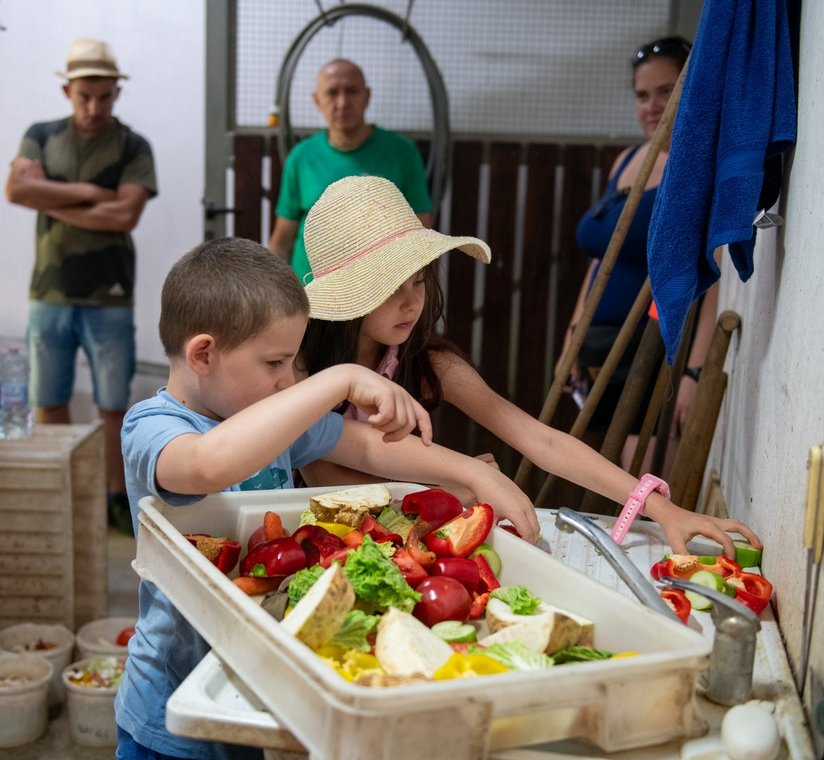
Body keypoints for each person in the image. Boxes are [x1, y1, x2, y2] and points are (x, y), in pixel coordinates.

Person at [115, 237, 538, 759]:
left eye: (294, 364)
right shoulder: (151, 427)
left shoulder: (275, 423)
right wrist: (341, 378)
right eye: (275, 363)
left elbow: (370, 448)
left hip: (260, 694)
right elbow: (209, 464)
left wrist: (477, 476)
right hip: (173, 711)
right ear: (203, 353)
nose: (288, 381)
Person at [297, 175, 761, 557]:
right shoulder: (300, 367)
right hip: (322, 542)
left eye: (419, 281)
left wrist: (660, 509)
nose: (411, 303)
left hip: (407, 544)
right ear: (348, 293)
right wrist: (455, 483)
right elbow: (325, 476)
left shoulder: (428, 363)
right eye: (389, 285)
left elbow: (540, 439)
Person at [4, 38, 157, 532]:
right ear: (68, 90)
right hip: (49, 292)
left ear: (116, 92)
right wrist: (90, 193)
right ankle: (60, 490)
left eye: (104, 96)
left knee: (114, 405)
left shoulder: (133, 145)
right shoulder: (40, 135)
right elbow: (16, 189)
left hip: (110, 294)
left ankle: (115, 496)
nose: (94, 107)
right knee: (48, 397)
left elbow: (124, 214)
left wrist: (47, 198)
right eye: (84, 96)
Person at [554, 36, 712, 473]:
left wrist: (693, 373)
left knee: (642, 477)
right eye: (643, 95)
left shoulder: (699, 168)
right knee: (608, 475)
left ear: (692, 87)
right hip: (601, 350)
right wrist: (573, 332)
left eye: (666, 91)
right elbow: (601, 258)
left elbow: (712, 281)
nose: (652, 105)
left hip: (653, 350)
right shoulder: (628, 160)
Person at [268, 58, 433, 282]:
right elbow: (282, 240)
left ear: (367, 96)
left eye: (352, 91)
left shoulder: (402, 153)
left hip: (377, 292)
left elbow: (419, 232)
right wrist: (273, 297)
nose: (343, 102)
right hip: (310, 293)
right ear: (317, 101)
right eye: (332, 93)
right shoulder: (301, 156)